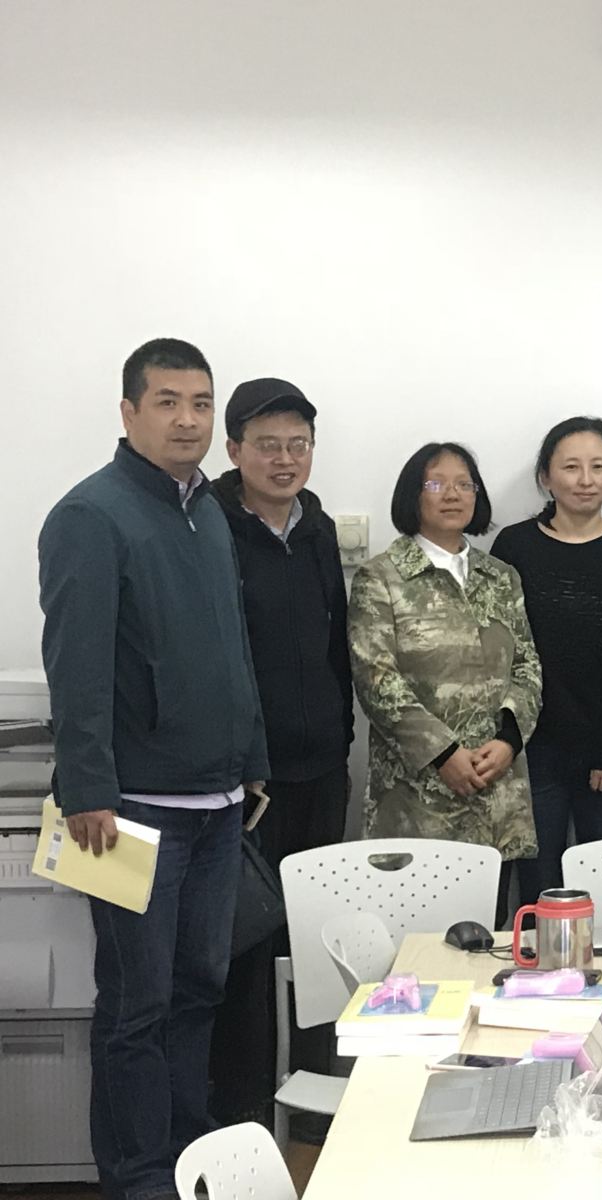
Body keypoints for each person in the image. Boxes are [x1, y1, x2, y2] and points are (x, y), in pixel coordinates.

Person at [38, 338, 268, 1200]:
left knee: (199, 989)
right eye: (167, 402)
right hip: (127, 811)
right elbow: (76, 665)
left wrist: (252, 758)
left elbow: (232, 648)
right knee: (137, 1005)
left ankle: (187, 1156)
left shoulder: (207, 510)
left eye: (201, 403)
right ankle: (137, 1177)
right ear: (129, 411)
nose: (187, 420)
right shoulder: (90, 515)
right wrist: (86, 788)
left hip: (216, 803)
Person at [208, 377, 353, 1125]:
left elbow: (335, 648)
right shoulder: (207, 528)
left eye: (299, 444)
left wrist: (342, 736)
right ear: (235, 450)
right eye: (268, 445)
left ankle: (314, 1117)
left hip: (321, 772)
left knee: (319, 953)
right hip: (248, 785)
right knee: (246, 956)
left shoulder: (318, 529)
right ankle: (244, 1125)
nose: (285, 459)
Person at [348, 442, 541, 924]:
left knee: (488, 939)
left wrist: (508, 740)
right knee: (417, 943)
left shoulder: (501, 577)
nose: (452, 494)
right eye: (436, 483)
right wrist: (443, 754)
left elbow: (527, 667)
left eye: (464, 484)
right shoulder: (381, 577)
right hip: (417, 799)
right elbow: (376, 680)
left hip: (495, 791)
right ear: (412, 495)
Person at [491, 417, 602, 898]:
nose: (586, 480)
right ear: (546, 476)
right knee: (537, 889)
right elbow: (500, 651)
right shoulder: (514, 546)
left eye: (598, 467)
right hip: (529, 749)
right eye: (571, 467)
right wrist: (511, 737)